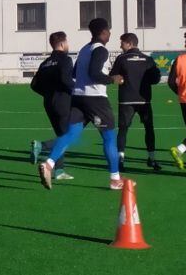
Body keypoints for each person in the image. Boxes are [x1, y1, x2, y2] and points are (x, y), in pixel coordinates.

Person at [37, 18, 122, 190]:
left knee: (70, 134)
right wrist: (112, 79)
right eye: (108, 31)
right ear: (104, 32)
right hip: (95, 99)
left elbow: (75, 73)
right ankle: (115, 179)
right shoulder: (101, 50)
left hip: (78, 97)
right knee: (109, 137)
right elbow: (94, 73)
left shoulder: (84, 50)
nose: (110, 34)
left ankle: (49, 164)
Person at [109, 33, 162, 171]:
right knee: (149, 129)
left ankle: (120, 160)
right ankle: (152, 159)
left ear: (129, 43)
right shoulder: (148, 59)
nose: (120, 46)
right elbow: (156, 79)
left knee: (123, 130)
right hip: (144, 100)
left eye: (122, 43)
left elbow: (113, 77)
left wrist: (121, 79)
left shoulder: (121, 59)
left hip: (126, 100)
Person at [28, 32, 74, 182]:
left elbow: (33, 85)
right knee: (68, 137)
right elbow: (66, 80)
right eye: (66, 42)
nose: (68, 44)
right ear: (62, 43)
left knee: (61, 134)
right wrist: (76, 92)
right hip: (63, 101)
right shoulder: (66, 60)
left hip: (49, 102)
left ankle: (59, 171)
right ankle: (41, 146)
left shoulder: (45, 63)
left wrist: (47, 94)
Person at [168, 31, 186, 169]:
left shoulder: (179, 59)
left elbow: (171, 82)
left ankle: (180, 150)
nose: (185, 44)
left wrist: (182, 93)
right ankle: (179, 149)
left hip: (185, 102)